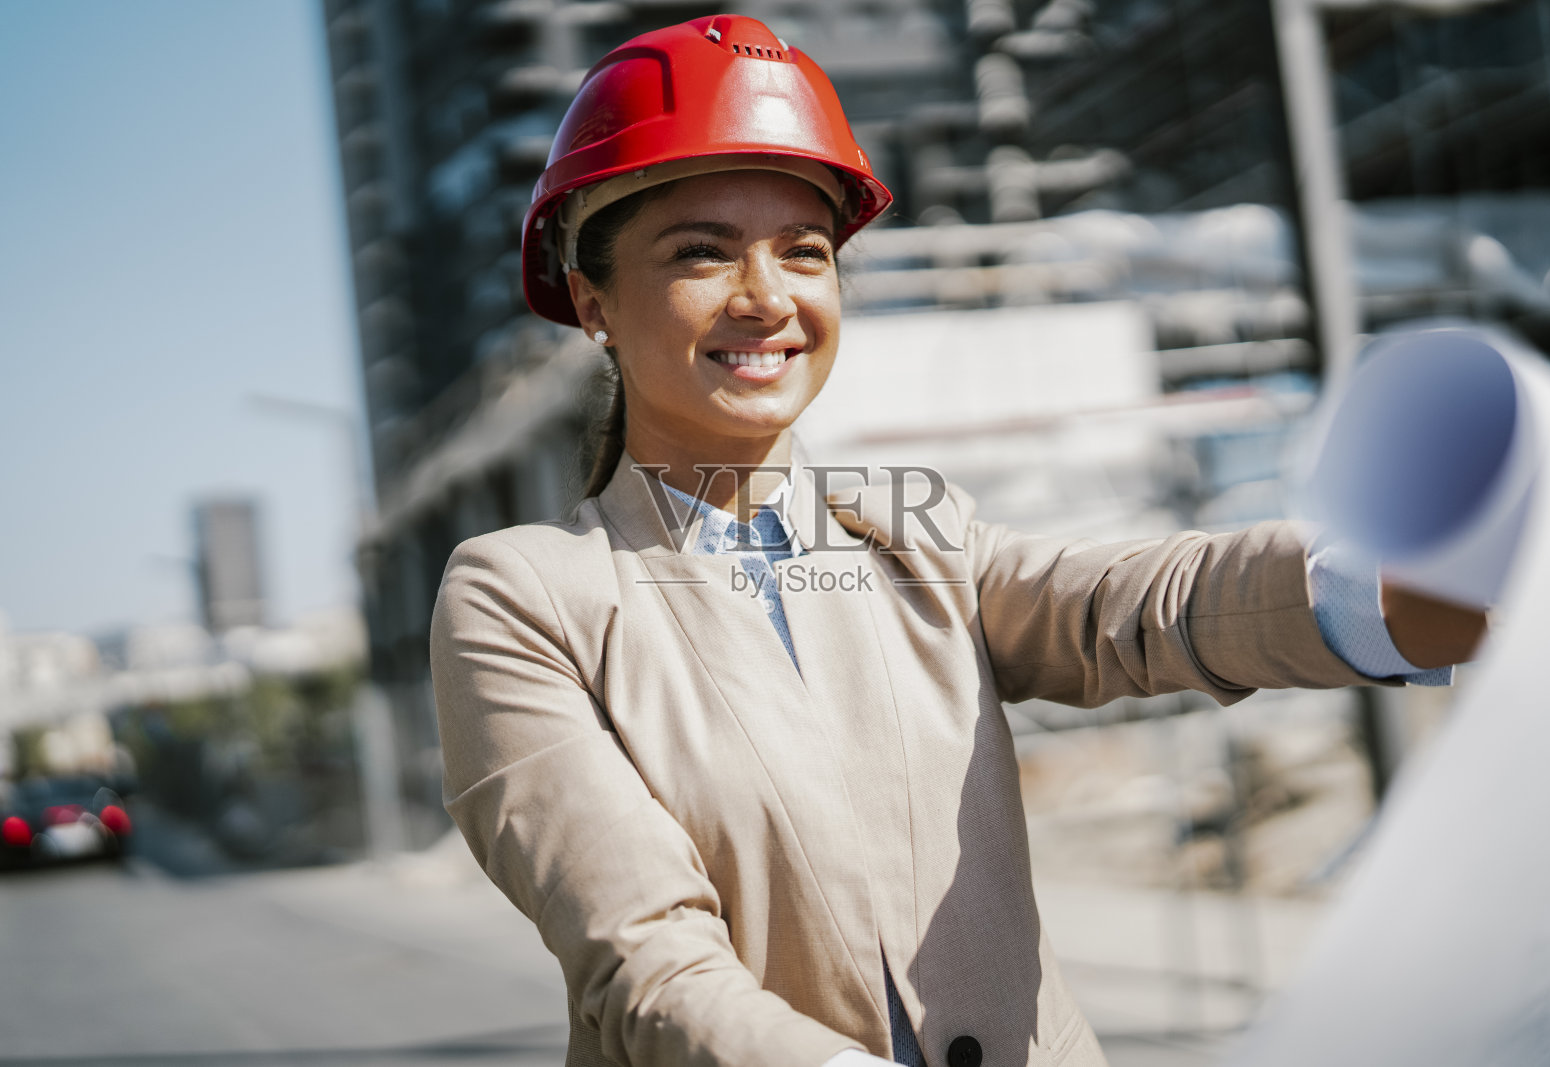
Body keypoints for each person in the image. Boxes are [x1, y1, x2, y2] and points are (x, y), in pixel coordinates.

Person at [428, 15, 1486, 1067]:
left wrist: (1447, 573)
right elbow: (647, 962)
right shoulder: (528, 597)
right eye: (700, 253)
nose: (768, 297)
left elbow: (1134, 607)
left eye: (805, 252)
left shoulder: (905, 526)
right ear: (590, 298)